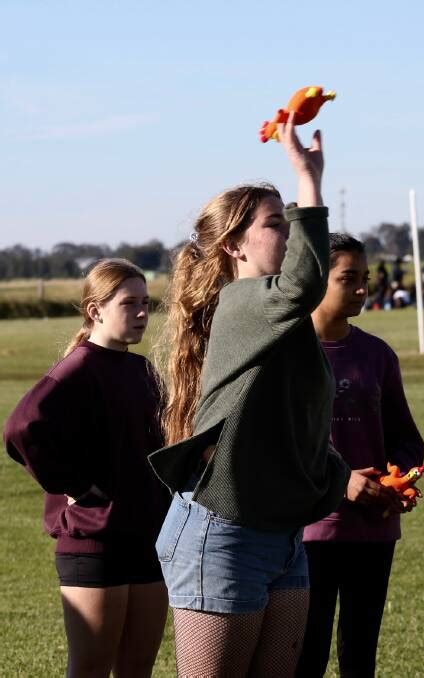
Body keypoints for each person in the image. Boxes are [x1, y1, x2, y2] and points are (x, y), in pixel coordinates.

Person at [149, 116, 351, 677]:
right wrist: (308, 178)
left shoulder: (280, 322)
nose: (287, 230)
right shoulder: (242, 302)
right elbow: (306, 281)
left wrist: (331, 475)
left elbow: (298, 418)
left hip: (280, 534)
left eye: (289, 219)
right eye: (274, 222)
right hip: (222, 533)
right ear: (236, 245)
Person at [4, 259, 169, 678]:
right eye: (129, 303)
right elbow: (22, 427)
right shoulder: (76, 369)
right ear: (95, 310)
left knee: (137, 670)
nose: (142, 313)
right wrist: (78, 486)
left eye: (146, 303)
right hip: (95, 545)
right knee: (91, 670)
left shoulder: (141, 369)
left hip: (149, 540)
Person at [295, 234, 424, 678]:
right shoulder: (286, 355)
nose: (360, 288)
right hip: (308, 531)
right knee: (304, 656)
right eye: (347, 278)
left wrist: (400, 478)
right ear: (315, 280)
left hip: (373, 528)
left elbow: (406, 438)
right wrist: (340, 480)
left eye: (364, 278)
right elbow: (277, 446)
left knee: (360, 657)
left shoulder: (377, 355)